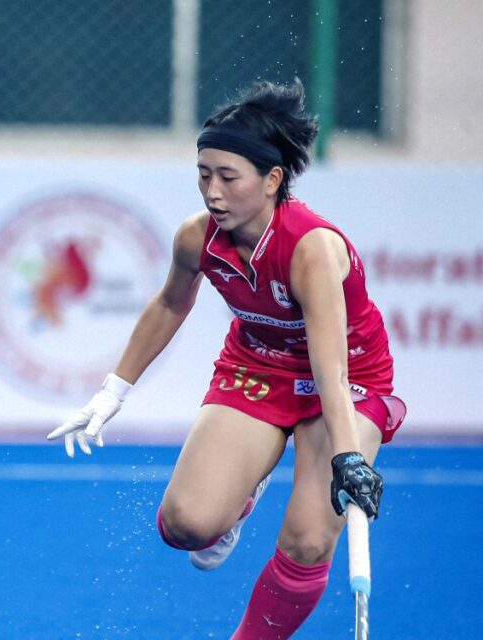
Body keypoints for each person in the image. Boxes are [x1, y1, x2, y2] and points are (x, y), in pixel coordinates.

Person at [48, 79, 406, 639]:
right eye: (203, 174)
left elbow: (329, 371)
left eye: (228, 177)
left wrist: (348, 458)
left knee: (310, 539)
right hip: (258, 366)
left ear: (272, 180)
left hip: (346, 378)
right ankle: (240, 496)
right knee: (184, 525)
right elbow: (170, 304)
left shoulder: (311, 248)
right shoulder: (197, 238)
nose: (211, 192)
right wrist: (112, 390)